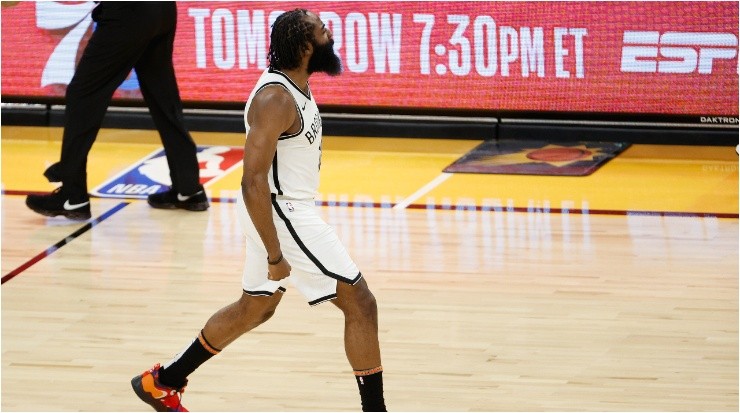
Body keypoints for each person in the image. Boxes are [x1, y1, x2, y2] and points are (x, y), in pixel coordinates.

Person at [130, 9, 387, 413]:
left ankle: (163, 381)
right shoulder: (275, 99)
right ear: (305, 47)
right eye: (323, 30)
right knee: (360, 302)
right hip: (281, 211)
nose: (330, 33)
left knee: (256, 307)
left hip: (279, 209)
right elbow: (253, 181)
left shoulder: (294, 86)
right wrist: (274, 255)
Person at [25, 2, 208, 221]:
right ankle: (188, 188)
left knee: (82, 94)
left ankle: (73, 196)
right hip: (162, 8)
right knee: (162, 96)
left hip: (128, 12)